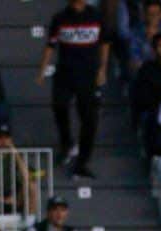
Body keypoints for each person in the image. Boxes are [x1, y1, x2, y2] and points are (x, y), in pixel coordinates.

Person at [38, 0, 111, 178]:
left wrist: (102, 69)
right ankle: (67, 143)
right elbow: (51, 44)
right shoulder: (60, 18)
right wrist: (42, 69)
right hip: (65, 72)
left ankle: (82, 162)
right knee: (59, 105)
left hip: (88, 75)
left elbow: (105, 43)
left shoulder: (97, 16)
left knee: (89, 119)